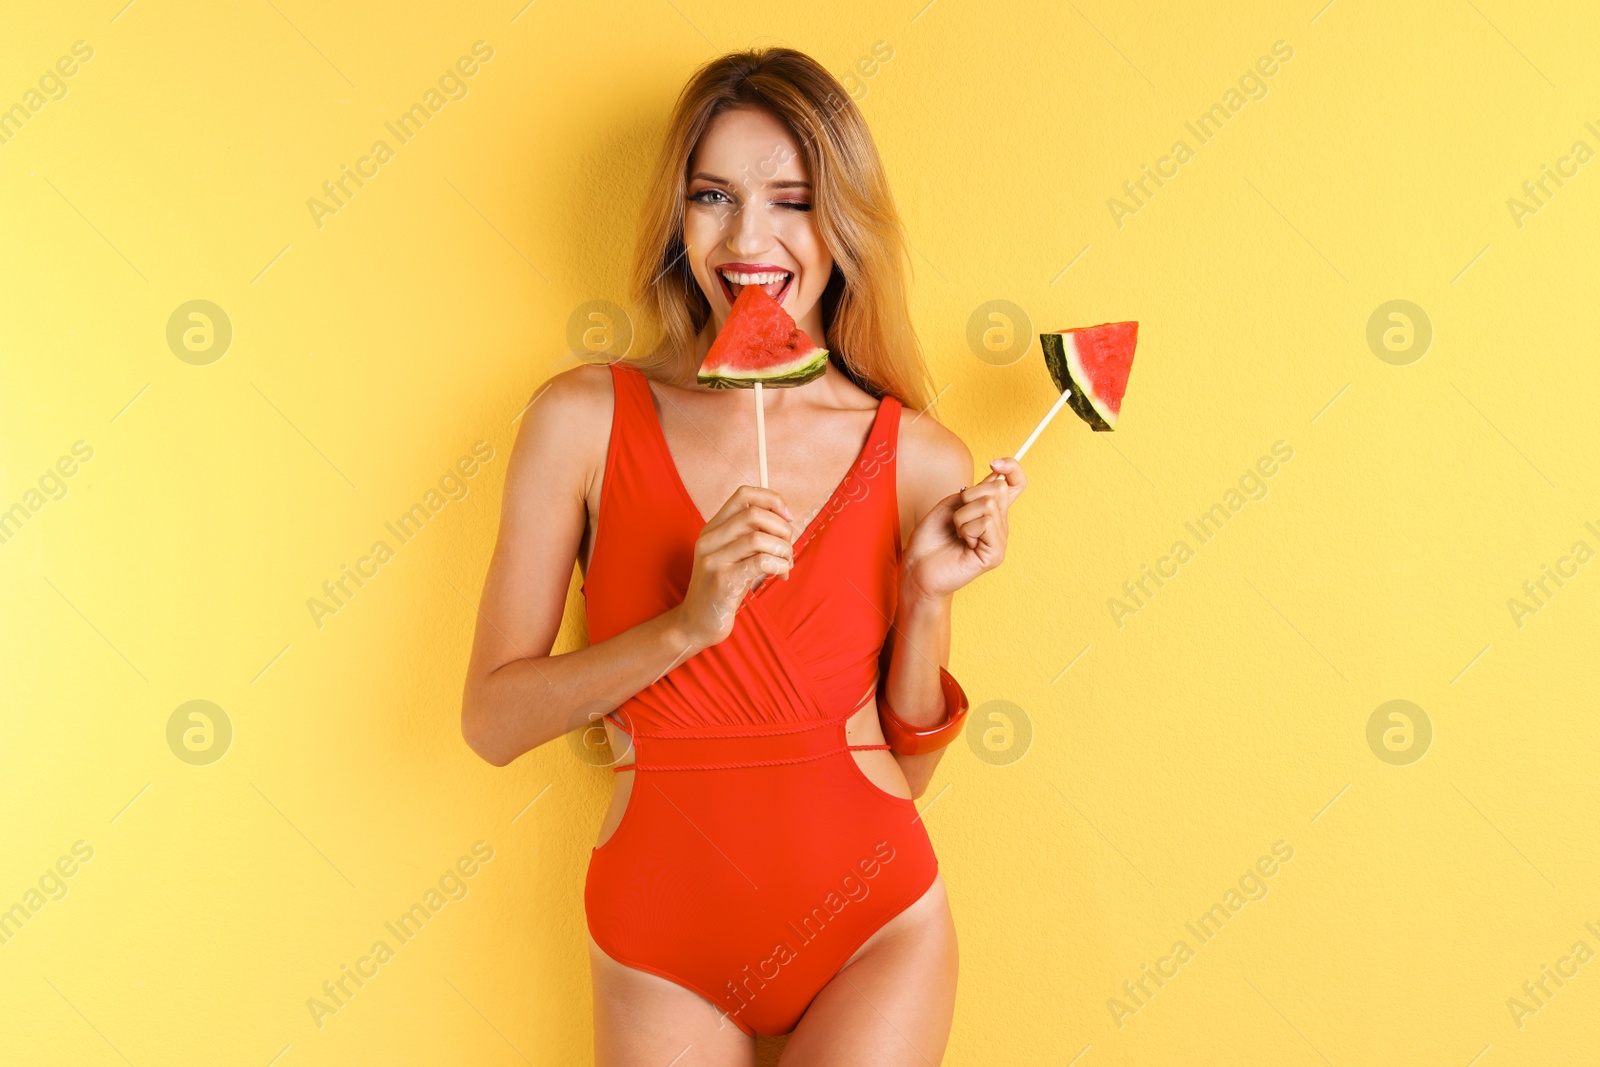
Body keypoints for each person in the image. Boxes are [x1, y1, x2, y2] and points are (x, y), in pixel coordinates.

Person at [460, 46, 1024, 1067]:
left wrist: (928, 597)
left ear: (842, 222)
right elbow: (493, 722)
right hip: (659, 937)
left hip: (876, 926)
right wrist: (686, 624)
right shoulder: (581, 419)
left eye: (793, 200)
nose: (747, 238)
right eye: (712, 195)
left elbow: (907, 767)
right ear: (677, 216)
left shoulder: (917, 454)